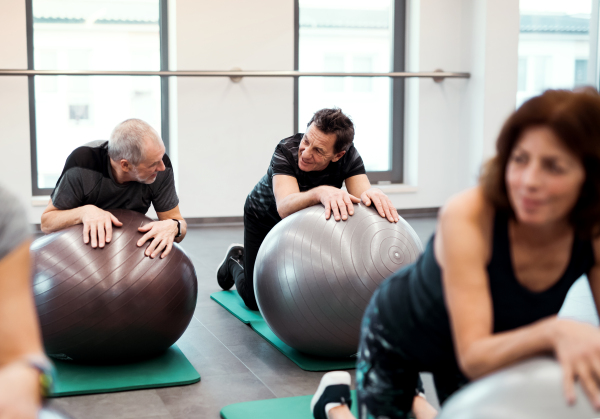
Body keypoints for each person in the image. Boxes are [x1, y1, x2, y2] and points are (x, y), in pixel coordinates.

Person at [310, 88, 600, 419]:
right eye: (520, 159)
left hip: (488, 344)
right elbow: (473, 355)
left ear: (590, 176)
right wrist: (555, 330)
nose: (530, 181)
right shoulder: (469, 214)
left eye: (554, 166)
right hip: (400, 333)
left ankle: (415, 399)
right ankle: (332, 406)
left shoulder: (592, 229)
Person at [216, 108, 400, 310]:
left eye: (319, 150)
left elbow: (362, 194)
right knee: (254, 301)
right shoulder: (286, 149)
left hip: (305, 222)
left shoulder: (349, 157)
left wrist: (372, 195)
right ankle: (235, 258)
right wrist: (320, 191)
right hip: (263, 216)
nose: (306, 153)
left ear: (338, 155)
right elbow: (284, 207)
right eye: (306, 140)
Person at [41, 119, 186, 259]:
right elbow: (47, 223)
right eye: (153, 164)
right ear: (125, 165)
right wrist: (84, 212)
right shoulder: (83, 164)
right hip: (81, 251)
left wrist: (175, 226)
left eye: (161, 158)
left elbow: (178, 223)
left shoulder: (160, 166)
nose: (161, 167)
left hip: (128, 251)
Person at [0, 185, 53, 418]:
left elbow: (21, 357)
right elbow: (49, 220)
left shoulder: (5, 211)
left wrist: (20, 386)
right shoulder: (80, 168)